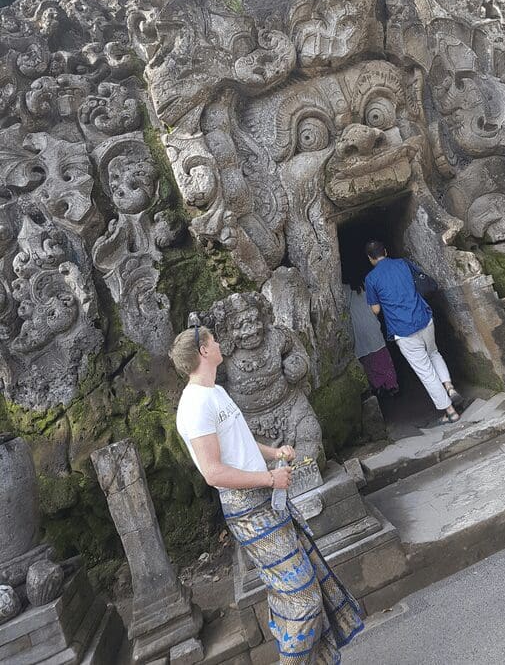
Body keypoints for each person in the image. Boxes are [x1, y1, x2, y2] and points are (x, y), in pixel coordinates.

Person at [170, 323, 363, 664]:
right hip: (248, 511)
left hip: (266, 501)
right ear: (203, 351)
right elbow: (213, 473)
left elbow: (239, 439)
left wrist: (273, 454)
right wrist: (269, 480)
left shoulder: (215, 391)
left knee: (303, 587)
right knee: (302, 599)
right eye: (214, 341)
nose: (220, 345)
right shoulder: (194, 405)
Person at [364, 240, 461, 424]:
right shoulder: (402, 263)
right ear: (385, 250)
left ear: (370, 258)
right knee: (434, 353)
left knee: (425, 371)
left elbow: (376, 310)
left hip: (403, 330)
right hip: (424, 318)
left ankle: (450, 411)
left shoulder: (371, 279)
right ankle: (449, 386)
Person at [344, 275, 399, 399]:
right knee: (382, 358)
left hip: (357, 330)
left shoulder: (343, 291)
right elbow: (376, 308)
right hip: (372, 327)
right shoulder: (365, 286)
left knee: (367, 362)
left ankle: (377, 386)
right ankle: (391, 385)